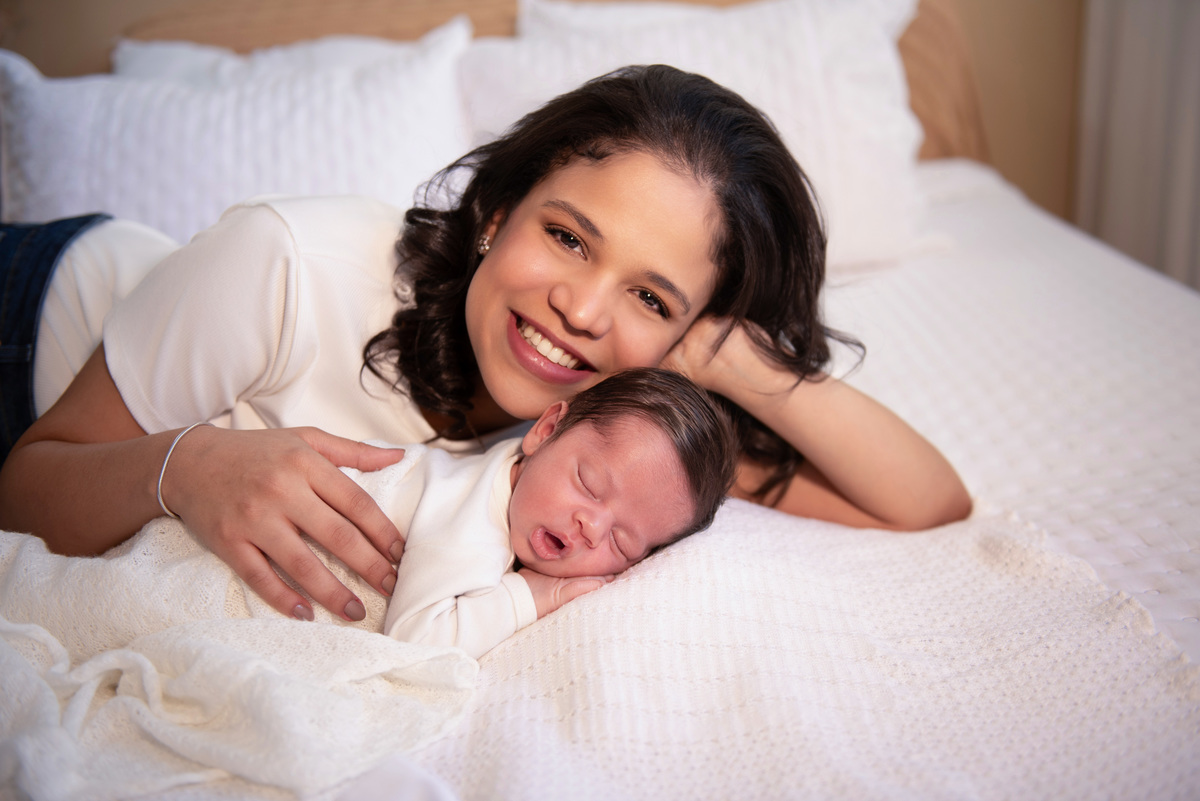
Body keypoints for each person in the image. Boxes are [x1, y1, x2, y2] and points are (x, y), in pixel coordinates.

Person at [0, 64, 971, 625]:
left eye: (648, 293)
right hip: (30, 311)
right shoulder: (284, 260)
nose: (580, 309)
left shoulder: (620, 416)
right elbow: (24, 486)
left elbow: (927, 504)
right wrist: (186, 466)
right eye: (568, 237)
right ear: (498, 213)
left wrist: (726, 357)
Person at [377, 367, 736, 659]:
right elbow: (412, 644)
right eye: (588, 484)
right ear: (546, 431)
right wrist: (528, 595)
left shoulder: (516, 476)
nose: (592, 527)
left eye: (620, 542)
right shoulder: (468, 524)